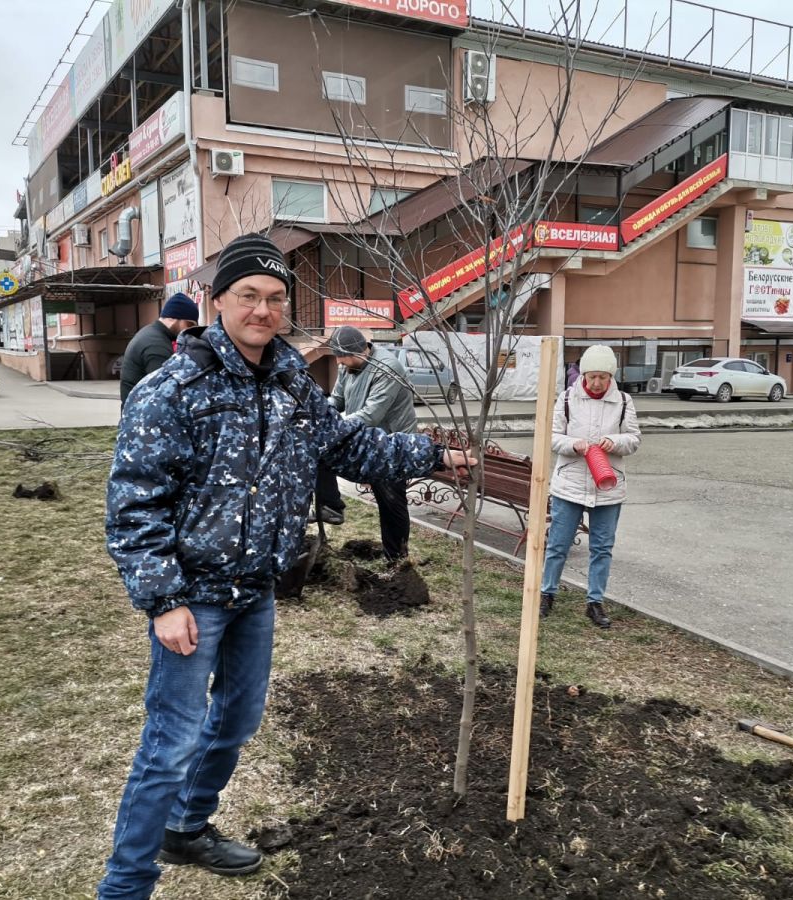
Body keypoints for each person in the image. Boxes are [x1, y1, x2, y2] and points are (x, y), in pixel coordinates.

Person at [99, 233, 475, 899]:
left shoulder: (291, 384)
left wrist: (432, 455)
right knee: (171, 743)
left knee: (238, 719)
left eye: (276, 298)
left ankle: (187, 827)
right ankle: (125, 887)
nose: (263, 310)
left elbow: (351, 446)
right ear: (219, 301)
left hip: (258, 589)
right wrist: (163, 600)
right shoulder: (172, 390)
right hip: (195, 595)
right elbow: (134, 504)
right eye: (249, 296)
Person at [539, 344, 641, 628]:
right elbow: (551, 436)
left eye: (603, 377)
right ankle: (547, 594)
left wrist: (616, 442)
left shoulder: (623, 401)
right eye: (592, 376)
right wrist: (575, 444)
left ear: (611, 376)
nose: (596, 383)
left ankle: (594, 602)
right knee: (557, 545)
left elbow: (634, 438)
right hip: (570, 483)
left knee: (602, 548)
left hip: (608, 486)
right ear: (582, 374)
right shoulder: (568, 399)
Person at [313, 326, 419, 559]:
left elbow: (372, 413)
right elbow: (338, 399)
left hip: (392, 443)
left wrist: (336, 429)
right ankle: (331, 507)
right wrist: (321, 415)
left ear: (360, 350)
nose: (339, 362)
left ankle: (397, 558)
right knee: (318, 452)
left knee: (391, 501)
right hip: (364, 437)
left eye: (343, 357)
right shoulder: (347, 365)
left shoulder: (387, 368)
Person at [118, 293, 201, 405]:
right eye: (189, 324)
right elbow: (167, 392)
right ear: (174, 318)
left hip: (137, 413)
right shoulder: (156, 345)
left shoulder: (151, 334)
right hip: (143, 416)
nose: (190, 331)